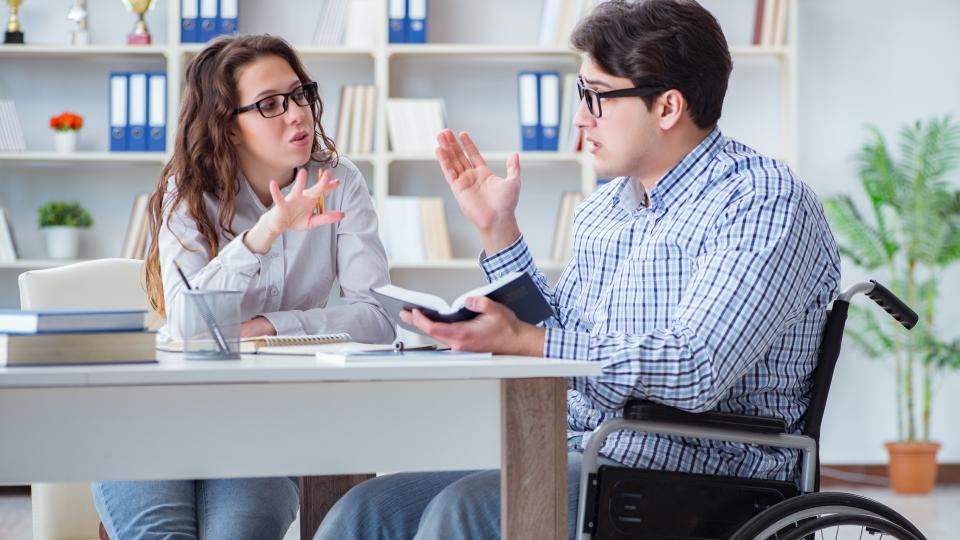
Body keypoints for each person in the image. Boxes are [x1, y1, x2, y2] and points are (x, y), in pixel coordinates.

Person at [313, 0, 841, 538]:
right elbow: (564, 330)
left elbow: (697, 368)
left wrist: (525, 341)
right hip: (583, 449)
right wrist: (500, 231)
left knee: (466, 511)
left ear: (668, 107)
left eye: (597, 98)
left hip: (705, 472)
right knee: (367, 510)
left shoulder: (763, 201)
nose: (579, 118)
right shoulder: (604, 208)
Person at [91, 34, 395, 540]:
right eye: (271, 105)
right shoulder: (185, 193)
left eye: (300, 95)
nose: (298, 115)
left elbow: (379, 319)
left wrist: (268, 327)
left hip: (262, 420)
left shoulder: (337, 181)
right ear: (226, 127)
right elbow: (190, 323)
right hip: (154, 417)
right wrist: (265, 233)